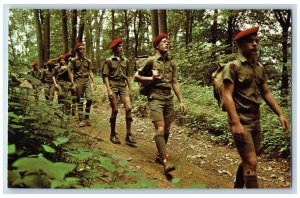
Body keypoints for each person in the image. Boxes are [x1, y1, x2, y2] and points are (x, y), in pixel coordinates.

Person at [222, 26, 289, 188]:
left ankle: (238, 187)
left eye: (256, 41)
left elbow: (266, 92)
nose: (254, 44)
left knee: (251, 158)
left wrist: (280, 114)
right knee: (251, 163)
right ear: (240, 44)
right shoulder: (232, 67)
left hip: (255, 120)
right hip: (241, 120)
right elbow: (227, 95)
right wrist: (236, 122)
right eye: (250, 41)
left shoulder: (259, 67)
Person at [134, 33, 187, 174]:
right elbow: (136, 77)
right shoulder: (151, 60)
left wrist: (181, 100)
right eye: (163, 42)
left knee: (167, 129)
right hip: (155, 96)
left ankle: (159, 154)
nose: (167, 43)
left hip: (168, 97)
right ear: (157, 45)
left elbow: (174, 82)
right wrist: (151, 78)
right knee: (160, 128)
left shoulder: (172, 62)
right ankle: (165, 160)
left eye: (167, 42)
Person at [102, 37, 136, 145]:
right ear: (115, 48)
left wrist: (130, 89)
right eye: (119, 46)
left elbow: (128, 76)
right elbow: (105, 76)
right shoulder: (109, 61)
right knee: (115, 110)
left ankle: (129, 134)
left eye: (122, 46)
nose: (121, 48)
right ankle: (112, 134)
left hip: (122, 86)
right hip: (113, 86)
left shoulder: (126, 60)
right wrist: (109, 90)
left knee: (129, 108)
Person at [68, 43, 95, 127]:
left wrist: (94, 82)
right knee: (80, 100)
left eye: (83, 49)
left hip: (86, 80)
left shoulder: (88, 61)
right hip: (78, 81)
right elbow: (71, 71)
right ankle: (81, 119)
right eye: (80, 49)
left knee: (89, 98)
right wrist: (73, 83)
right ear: (77, 51)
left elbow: (90, 71)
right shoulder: (73, 61)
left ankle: (87, 117)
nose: (82, 50)